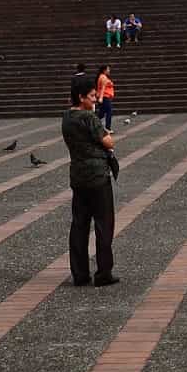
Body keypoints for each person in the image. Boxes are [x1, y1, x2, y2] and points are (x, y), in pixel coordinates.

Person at [61, 73, 117, 287]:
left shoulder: (67, 117)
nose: (95, 99)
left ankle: (80, 273)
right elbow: (108, 142)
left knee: (79, 225)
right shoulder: (89, 118)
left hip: (78, 177)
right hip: (97, 177)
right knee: (103, 224)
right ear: (81, 96)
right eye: (92, 96)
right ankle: (103, 273)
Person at [95, 64, 115, 129]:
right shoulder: (103, 77)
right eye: (108, 69)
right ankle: (107, 127)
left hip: (104, 97)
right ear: (104, 70)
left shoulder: (102, 76)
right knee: (109, 112)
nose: (109, 70)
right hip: (104, 97)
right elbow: (103, 88)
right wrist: (101, 98)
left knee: (101, 113)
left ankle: (92, 123)